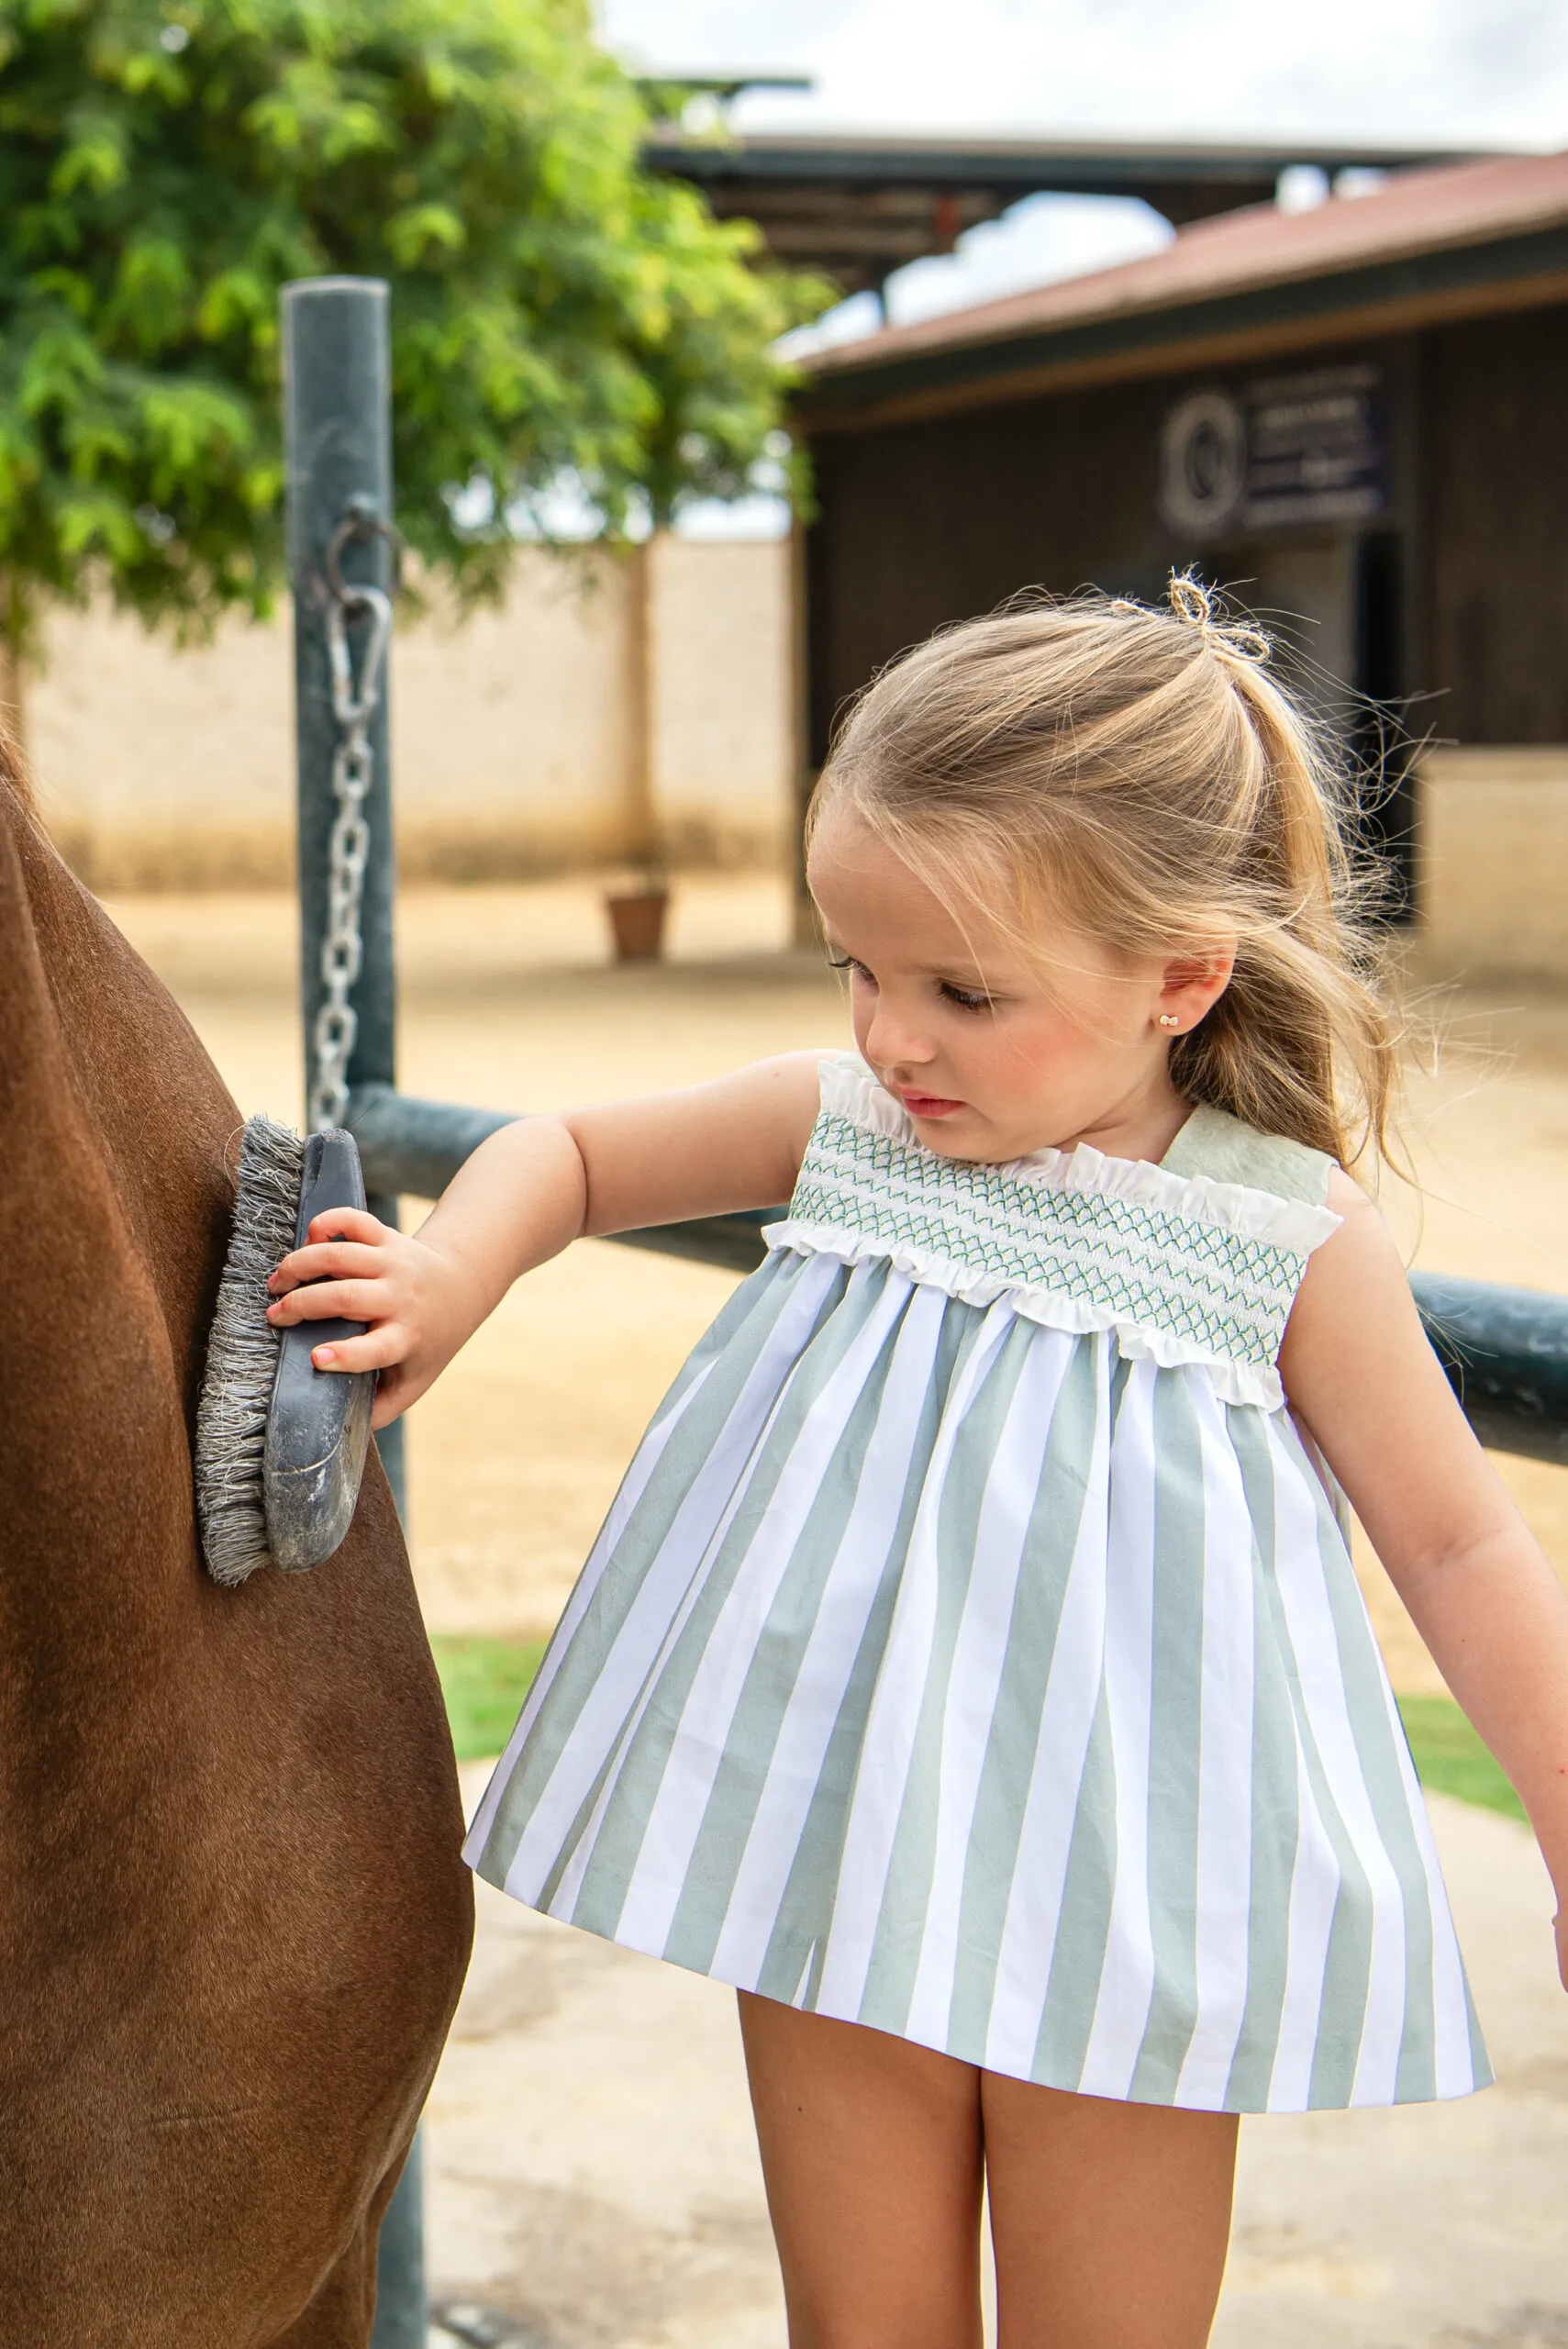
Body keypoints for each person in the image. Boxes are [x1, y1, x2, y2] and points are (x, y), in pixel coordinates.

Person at [267, 579, 1568, 2349]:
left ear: (1181, 978)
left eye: (964, 990)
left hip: (1126, 1905)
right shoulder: (852, 1128)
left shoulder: (1286, 1240)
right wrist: (449, 1273)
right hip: (841, 1844)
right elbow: (565, 1154)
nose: (893, 1036)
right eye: (859, 969)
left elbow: (1466, 1547)